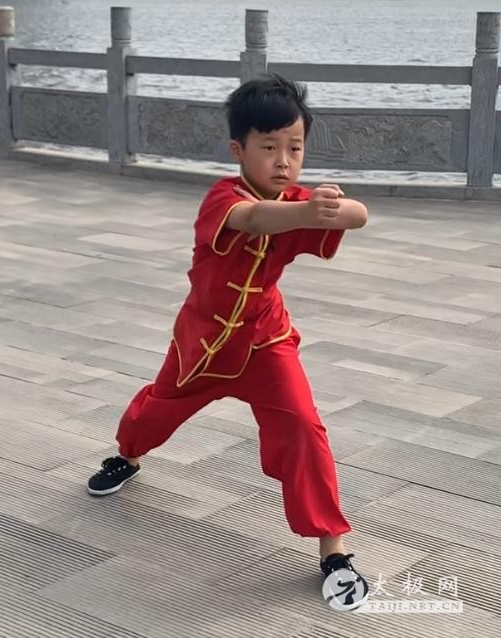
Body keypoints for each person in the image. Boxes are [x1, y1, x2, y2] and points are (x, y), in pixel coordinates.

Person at [87, 74, 369, 609]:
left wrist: (333, 204)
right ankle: (128, 455)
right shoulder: (224, 198)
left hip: (266, 343)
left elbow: (358, 215)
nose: (283, 161)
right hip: (203, 344)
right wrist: (308, 210)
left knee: (304, 427)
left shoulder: (298, 199)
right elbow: (254, 218)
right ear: (239, 151)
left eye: (295, 148)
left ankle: (333, 546)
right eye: (269, 148)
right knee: (157, 410)